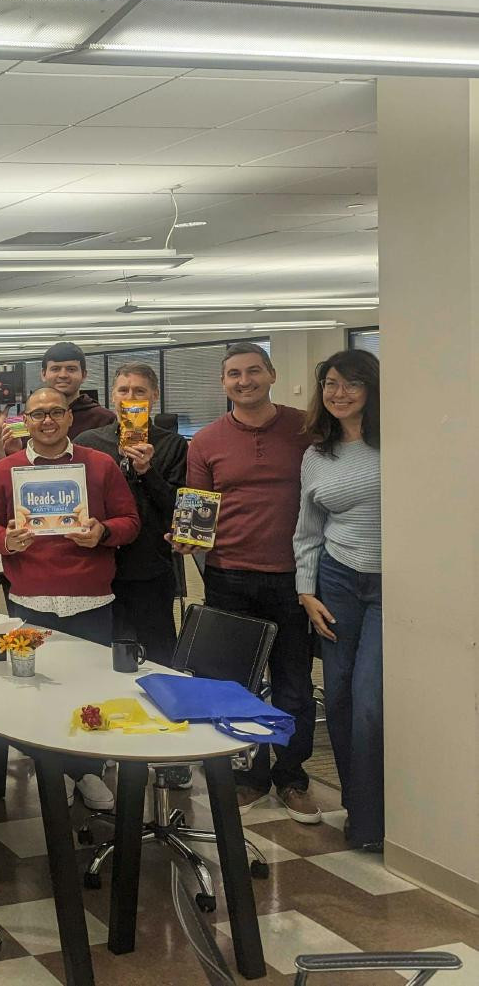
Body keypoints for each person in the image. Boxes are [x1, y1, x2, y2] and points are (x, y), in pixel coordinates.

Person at [0, 387, 140, 810]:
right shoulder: (5, 472)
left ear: (70, 418)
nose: (46, 421)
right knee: (39, 692)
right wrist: (7, 541)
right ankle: (53, 770)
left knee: (89, 690)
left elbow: (130, 522)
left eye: (55, 412)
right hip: (31, 600)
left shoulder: (100, 466)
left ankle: (88, 770)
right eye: (37, 414)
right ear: (25, 422)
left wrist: (102, 532)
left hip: (91, 599)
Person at [180, 343, 320, 824]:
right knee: (235, 685)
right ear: (223, 383)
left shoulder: (306, 429)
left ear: (272, 374)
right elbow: (198, 505)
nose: (245, 381)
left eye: (253, 371)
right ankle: (247, 774)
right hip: (228, 575)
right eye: (234, 374)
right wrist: (186, 539)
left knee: (293, 684)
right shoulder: (206, 441)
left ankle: (292, 776)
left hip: (294, 578)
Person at [293, 349, 382, 849]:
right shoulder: (316, 454)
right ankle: (363, 817)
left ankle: (391, 813)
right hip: (337, 580)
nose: (339, 393)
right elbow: (308, 530)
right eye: (330, 384)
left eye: (351, 384)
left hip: (395, 584)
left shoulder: (400, 445)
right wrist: (306, 590)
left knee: (370, 703)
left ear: (372, 389)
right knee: (343, 698)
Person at [75, 362, 188, 664]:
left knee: (158, 655)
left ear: (154, 395)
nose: (130, 397)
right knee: (102, 654)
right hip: (100, 563)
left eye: (139, 391)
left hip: (151, 565)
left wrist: (147, 470)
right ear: (113, 396)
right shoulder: (89, 444)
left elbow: (176, 507)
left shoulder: (173, 445)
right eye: (123, 390)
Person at [0, 342, 115, 457]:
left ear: (84, 375)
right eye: (55, 369)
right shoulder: (23, 420)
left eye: (71, 369)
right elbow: (1, 473)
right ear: (43, 374)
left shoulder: (105, 419)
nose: (63, 375)